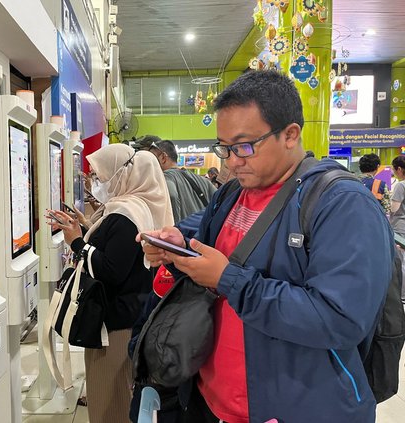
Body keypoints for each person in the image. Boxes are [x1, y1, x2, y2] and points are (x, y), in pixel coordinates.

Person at [139, 70, 394, 423]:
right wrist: (176, 243)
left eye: (244, 146)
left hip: (296, 407)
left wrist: (229, 279)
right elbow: (202, 230)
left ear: (291, 134)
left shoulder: (342, 205)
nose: (231, 161)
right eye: (224, 148)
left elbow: (340, 319)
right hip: (209, 402)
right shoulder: (233, 193)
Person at [47, 143, 173, 423]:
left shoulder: (125, 216)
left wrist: (77, 241)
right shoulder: (135, 207)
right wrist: (85, 223)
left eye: (102, 176)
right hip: (132, 315)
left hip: (116, 327)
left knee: (109, 404)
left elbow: (111, 270)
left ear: (122, 175)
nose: (97, 183)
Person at [149, 139, 216, 222]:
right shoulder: (202, 180)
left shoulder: (165, 177)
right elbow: (219, 200)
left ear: (163, 157)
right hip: (202, 232)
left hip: (182, 233)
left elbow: (172, 195)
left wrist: (175, 225)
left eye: (152, 159)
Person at [390, 155, 405, 302]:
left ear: (399, 169)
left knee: (401, 261)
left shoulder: (401, 185)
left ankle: (402, 294)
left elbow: (394, 208)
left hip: (400, 226)